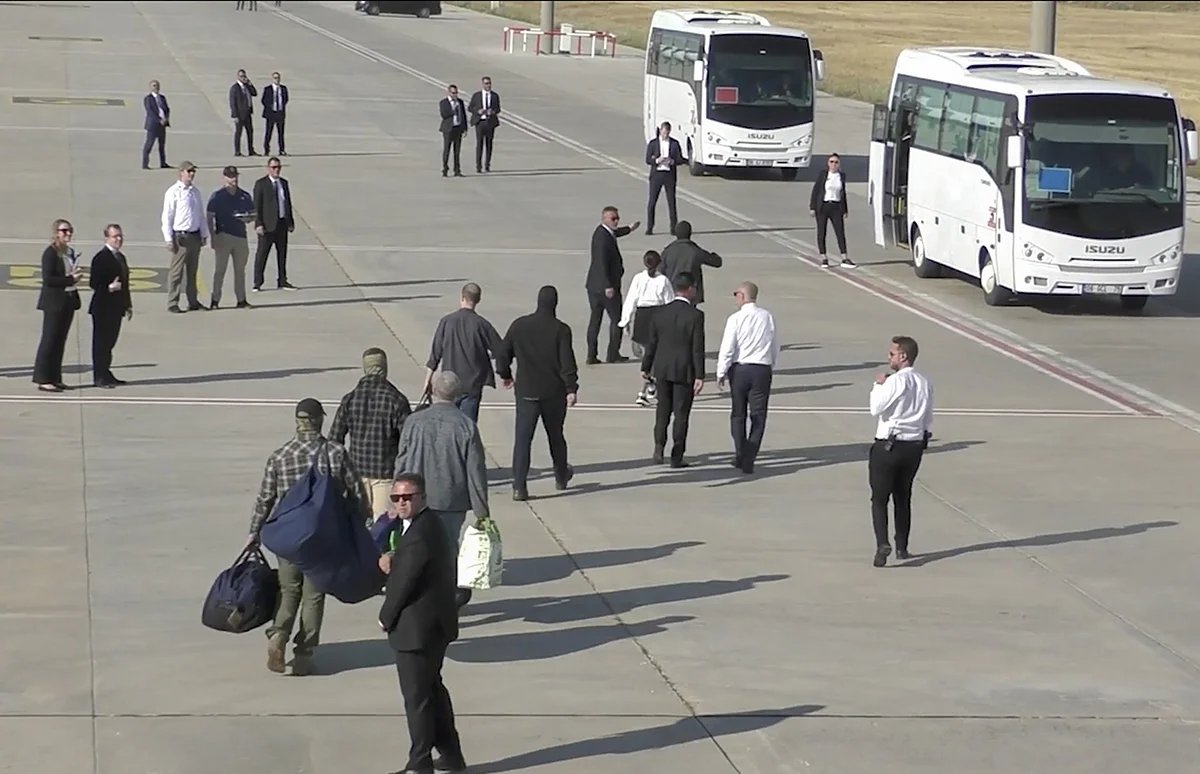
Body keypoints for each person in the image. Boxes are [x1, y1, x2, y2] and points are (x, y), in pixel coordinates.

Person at [246, 399, 370, 675]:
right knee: (314, 596)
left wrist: (254, 531)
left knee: (289, 590)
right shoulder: (336, 453)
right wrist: (358, 522)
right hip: (323, 539)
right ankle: (304, 653)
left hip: (288, 537)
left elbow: (265, 498)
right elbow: (357, 493)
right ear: (320, 420)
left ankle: (278, 635)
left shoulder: (279, 456)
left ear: (297, 421)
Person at [378, 472, 467, 774]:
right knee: (433, 692)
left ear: (422, 498)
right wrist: (394, 556)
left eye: (408, 497)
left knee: (417, 699)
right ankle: (451, 756)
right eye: (396, 497)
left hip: (417, 631)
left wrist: (385, 617)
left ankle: (420, 763)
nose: (401, 502)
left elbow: (404, 582)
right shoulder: (428, 526)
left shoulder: (418, 535)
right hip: (436, 626)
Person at [394, 371, 488, 609]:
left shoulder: (414, 422)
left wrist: (397, 497)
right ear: (457, 395)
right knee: (446, 554)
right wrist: (481, 510)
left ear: (433, 391)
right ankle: (443, 599)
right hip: (451, 501)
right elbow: (475, 470)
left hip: (416, 500)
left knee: (415, 552)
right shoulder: (466, 426)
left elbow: (401, 460)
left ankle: (417, 598)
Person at [496, 285, 578, 501]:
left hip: (526, 392)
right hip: (553, 392)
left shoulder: (519, 326)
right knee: (556, 436)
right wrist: (571, 388)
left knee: (523, 439)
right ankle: (561, 475)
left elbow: (503, 354)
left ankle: (519, 486)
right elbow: (567, 362)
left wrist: (505, 374)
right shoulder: (561, 330)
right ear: (555, 304)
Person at [868, 335, 934, 567]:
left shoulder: (896, 381)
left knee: (879, 498)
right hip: (914, 445)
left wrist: (878, 385)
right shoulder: (925, 382)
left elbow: (876, 408)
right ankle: (902, 546)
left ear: (903, 356)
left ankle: (882, 543)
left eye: (892, 354)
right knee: (903, 497)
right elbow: (927, 417)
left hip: (889, 445)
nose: (889, 358)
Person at [330, 348, 413, 521]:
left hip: (356, 474)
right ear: (385, 367)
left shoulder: (350, 399)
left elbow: (334, 439)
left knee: (356, 529)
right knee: (382, 529)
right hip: (385, 475)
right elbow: (408, 441)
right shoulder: (396, 399)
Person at [640, 272, 705, 467]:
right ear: (690, 289)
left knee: (662, 411)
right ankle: (677, 455)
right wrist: (700, 375)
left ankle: (658, 448)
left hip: (662, 368)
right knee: (681, 414)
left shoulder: (659, 313)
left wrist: (646, 366)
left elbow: (652, 343)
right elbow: (697, 347)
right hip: (684, 370)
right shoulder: (695, 315)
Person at [715, 282, 778, 475]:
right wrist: (770, 365)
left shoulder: (735, 318)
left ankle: (741, 452)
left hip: (741, 369)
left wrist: (721, 371)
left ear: (743, 296)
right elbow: (774, 343)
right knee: (758, 415)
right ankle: (749, 455)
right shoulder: (766, 316)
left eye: (736, 294)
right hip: (761, 368)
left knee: (738, 413)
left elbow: (728, 347)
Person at [423, 282, 502, 423]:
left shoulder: (446, 322)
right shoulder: (482, 324)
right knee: (468, 428)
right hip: (472, 385)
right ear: (478, 300)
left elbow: (435, 354)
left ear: (462, 297)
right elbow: (500, 349)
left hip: (449, 385)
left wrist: (428, 380)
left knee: (448, 426)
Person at [619, 250, 674, 407]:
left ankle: (645, 389)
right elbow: (669, 302)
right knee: (652, 357)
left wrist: (625, 321)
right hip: (657, 316)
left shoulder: (638, 278)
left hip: (642, 317)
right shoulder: (663, 280)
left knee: (645, 355)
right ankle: (649, 384)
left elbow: (631, 300)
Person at [585, 205, 639, 364]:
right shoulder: (603, 239)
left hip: (593, 286)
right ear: (604, 218)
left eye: (617, 218)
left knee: (595, 319)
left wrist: (629, 229)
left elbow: (615, 232)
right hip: (606, 287)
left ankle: (591, 355)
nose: (616, 221)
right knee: (617, 319)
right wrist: (608, 285)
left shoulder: (602, 232)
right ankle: (613, 354)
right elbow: (602, 263)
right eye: (613, 218)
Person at [33, 219, 82, 392]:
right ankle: (43, 378)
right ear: (56, 233)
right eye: (64, 231)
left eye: (70, 231)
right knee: (49, 339)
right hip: (53, 302)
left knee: (60, 341)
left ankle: (55, 377)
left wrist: (74, 276)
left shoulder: (69, 252)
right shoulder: (50, 253)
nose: (68, 234)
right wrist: (70, 279)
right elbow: (48, 279)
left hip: (67, 300)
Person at [88, 224, 134, 388]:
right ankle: (99, 376)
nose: (119, 239)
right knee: (101, 343)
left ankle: (106, 372)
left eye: (120, 236)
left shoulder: (121, 257)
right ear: (107, 238)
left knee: (110, 343)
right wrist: (109, 287)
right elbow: (93, 283)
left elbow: (125, 284)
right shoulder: (101, 258)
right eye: (115, 236)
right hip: (102, 307)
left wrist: (128, 305)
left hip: (116, 307)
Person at [160, 160, 209, 313]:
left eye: (193, 171)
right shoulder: (173, 192)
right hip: (180, 237)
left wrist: (204, 233)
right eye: (189, 171)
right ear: (181, 173)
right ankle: (172, 302)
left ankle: (193, 301)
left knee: (192, 271)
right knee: (176, 272)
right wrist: (168, 238)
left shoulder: (195, 192)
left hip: (194, 235)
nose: (192, 174)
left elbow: (200, 215)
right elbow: (167, 216)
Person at [205, 165, 255, 309]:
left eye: (235, 176)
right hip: (223, 236)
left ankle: (241, 299)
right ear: (224, 177)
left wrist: (248, 219)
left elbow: (251, 213)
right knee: (220, 270)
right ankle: (215, 299)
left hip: (240, 236)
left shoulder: (244, 195)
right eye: (230, 176)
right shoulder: (217, 196)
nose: (233, 179)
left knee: (240, 270)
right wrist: (213, 237)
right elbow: (210, 216)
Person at [252, 156, 296, 291]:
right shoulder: (261, 184)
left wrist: (290, 221)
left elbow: (287, 203)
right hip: (267, 225)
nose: (276, 170)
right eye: (274, 167)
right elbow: (256, 206)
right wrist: (258, 223)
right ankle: (257, 282)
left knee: (282, 254)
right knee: (262, 254)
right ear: (268, 169)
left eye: (278, 167)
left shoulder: (284, 183)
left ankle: (282, 280)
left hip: (282, 223)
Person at [809, 153, 856, 268]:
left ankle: (844, 258)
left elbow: (843, 194)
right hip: (823, 206)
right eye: (831, 162)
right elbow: (815, 191)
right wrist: (812, 207)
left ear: (839, 164)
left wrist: (845, 209)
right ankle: (824, 258)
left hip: (836, 207)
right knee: (822, 232)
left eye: (836, 162)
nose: (833, 164)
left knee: (840, 232)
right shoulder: (823, 175)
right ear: (828, 164)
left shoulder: (841, 176)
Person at [660, 220, 723, 306]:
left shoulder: (667, 251)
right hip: (690, 294)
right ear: (690, 233)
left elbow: (660, 270)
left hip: (672, 292)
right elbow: (717, 262)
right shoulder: (695, 250)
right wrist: (714, 255)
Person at [644, 121, 685, 236]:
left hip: (669, 175)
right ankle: (650, 227)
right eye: (664, 132)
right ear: (660, 131)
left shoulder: (674, 143)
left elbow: (680, 159)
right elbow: (647, 159)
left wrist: (672, 161)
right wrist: (657, 160)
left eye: (667, 133)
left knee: (671, 202)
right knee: (652, 202)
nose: (665, 135)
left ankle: (673, 227)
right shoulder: (653, 143)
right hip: (657, 174)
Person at [467, 75, 500, 173]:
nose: (488, 85)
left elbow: (498, 108)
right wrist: (478, 111)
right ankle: (478, 165)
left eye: (489, 83)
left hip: (490, 122)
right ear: (482, 84)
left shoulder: (494, 96)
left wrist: (492, 112)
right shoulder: (477, 95)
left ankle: (487, 165)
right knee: (479, 144)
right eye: (486, 83)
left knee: (489, 144)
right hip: (480, 122)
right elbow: (470, 107)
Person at [438, 84, 468, 177]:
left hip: (458, 128)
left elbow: (463, 115)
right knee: (447, 149)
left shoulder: (460, 102)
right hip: (448, 129)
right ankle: (445, 168)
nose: (455, 95)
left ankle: (457, 169)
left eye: (456, 93)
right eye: (453, 93)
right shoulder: (444, 102)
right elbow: (444, 114)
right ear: (449, 93)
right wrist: (453, 111)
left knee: (457, 150)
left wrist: (465, 128)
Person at [228, 68, 258, 157]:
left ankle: (251, 150)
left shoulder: (247, 86)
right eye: (241, 76)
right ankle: (237, 151)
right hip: (239, 115)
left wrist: (250, 84)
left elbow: (254, 93)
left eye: (244, 76)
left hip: (248, 113)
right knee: (238, 133)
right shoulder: (234, 88)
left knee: (250, 132)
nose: (243, 78)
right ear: (238, 77)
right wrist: (234, 115)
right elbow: (232, 102)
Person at [141, 79, 170, 170]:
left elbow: (167, 109)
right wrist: (159, 120)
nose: (156, 87)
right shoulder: (148, 99)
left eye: (157, 85)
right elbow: (150, 112)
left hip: (162, 125)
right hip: (153, 125)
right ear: (150, 87)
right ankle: (145, 164)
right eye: (154, 85)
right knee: (149, 144)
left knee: (162, 145)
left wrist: (166, 118)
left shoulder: (162, 98)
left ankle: (163, 162)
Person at [261, 71, 289, 156]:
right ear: (272, 79)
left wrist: (280, 107)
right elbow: (263, 100)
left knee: (281, 133)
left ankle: (281, 149)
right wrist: (270, 106)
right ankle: (266, 150)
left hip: (280, 113)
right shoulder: (268, 89)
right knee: (268, 132)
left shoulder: (283, 88)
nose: (277, 80)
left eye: (278, 78)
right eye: (275, 78)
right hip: (271, 114)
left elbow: (286, 99)